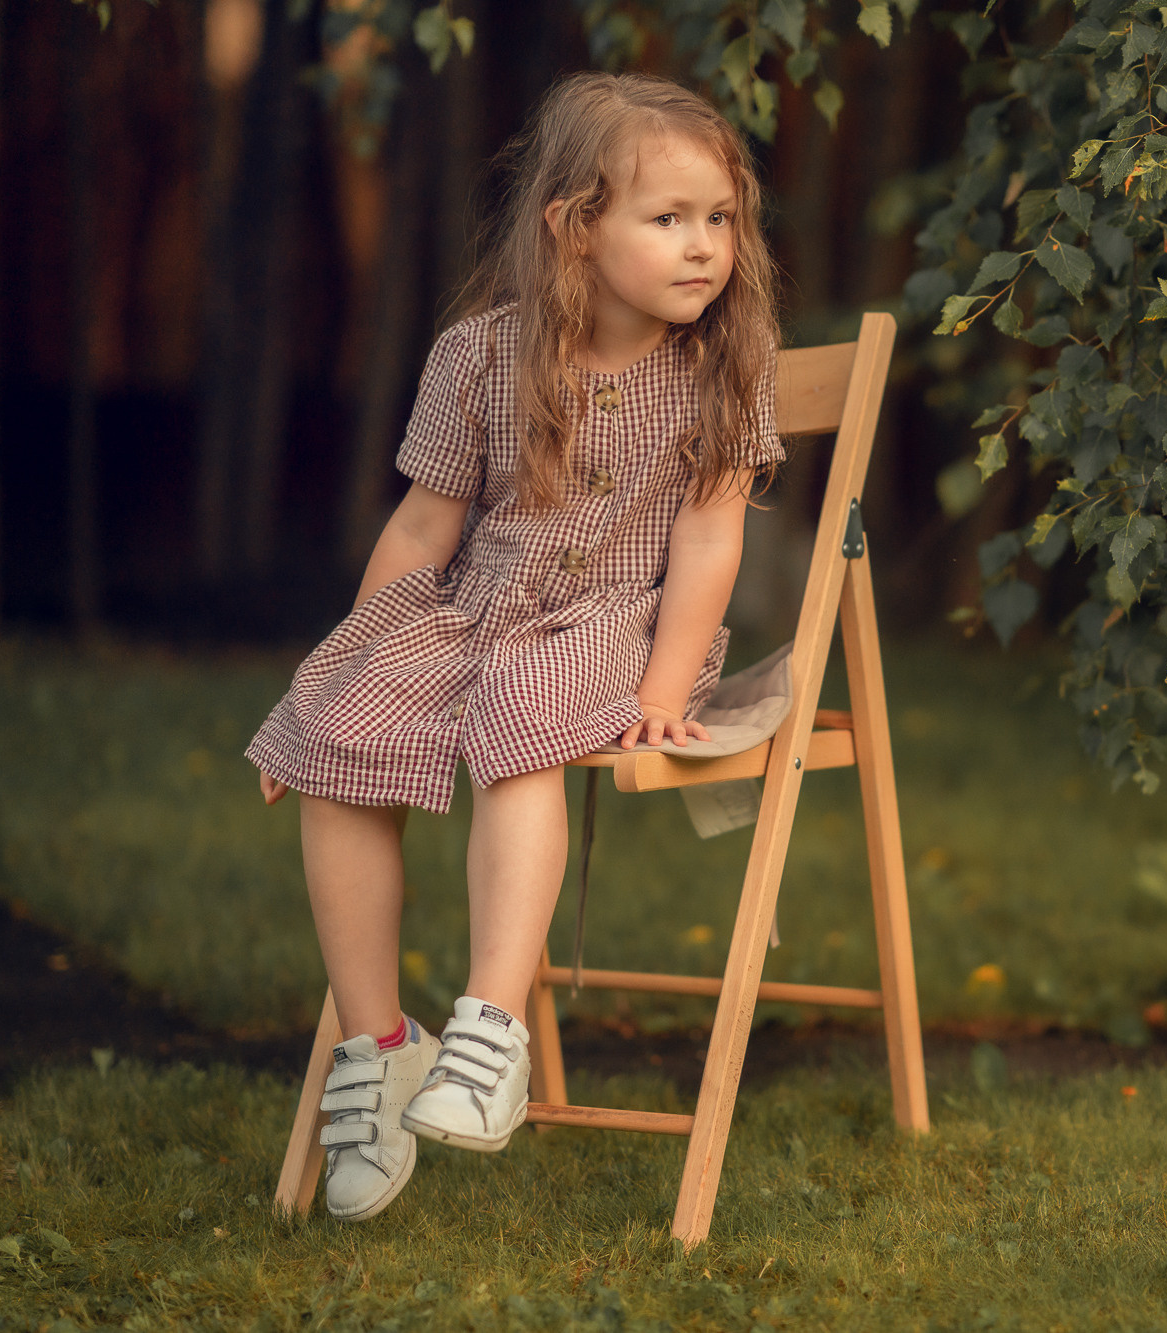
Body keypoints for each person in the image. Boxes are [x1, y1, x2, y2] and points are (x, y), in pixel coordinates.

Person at [245, 71, 784, 1222]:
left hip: (623, 629)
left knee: (521, 711)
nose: (703, 246)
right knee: (340, 738)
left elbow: (708, 539)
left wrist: (662, 685)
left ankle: (490, 1031)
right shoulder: (479, 356)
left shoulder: (722, 370)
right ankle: (379, 1045)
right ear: (573, 228)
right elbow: (422, 529)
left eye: (719, 218)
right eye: (668, 218)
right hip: (479, 609)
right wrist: (342, 668)